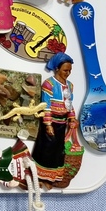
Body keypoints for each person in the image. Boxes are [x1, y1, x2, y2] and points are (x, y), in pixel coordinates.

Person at [31, 52, 77, 186]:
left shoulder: (70, 86)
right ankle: (39, 177)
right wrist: (48, 125)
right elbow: (46, 105)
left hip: (62, 124)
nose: (68, 73)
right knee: (46, 149)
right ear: (57, 68)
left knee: (58, 150)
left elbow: (69, 104)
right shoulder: (49, 84)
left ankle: (52, 178)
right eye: (65, 70)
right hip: (51, 123)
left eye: (69, 71)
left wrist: (72, 118)